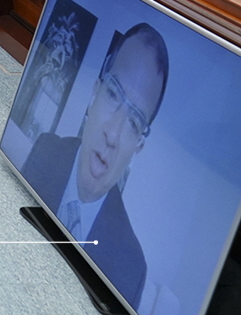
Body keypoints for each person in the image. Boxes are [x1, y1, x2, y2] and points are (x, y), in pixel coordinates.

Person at [20, 22, 169, 310]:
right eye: (113, 94)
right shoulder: (46, 149)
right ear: (94, 94)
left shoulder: (132, 267)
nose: (113, 134)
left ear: (138, 145)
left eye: (134, 121)